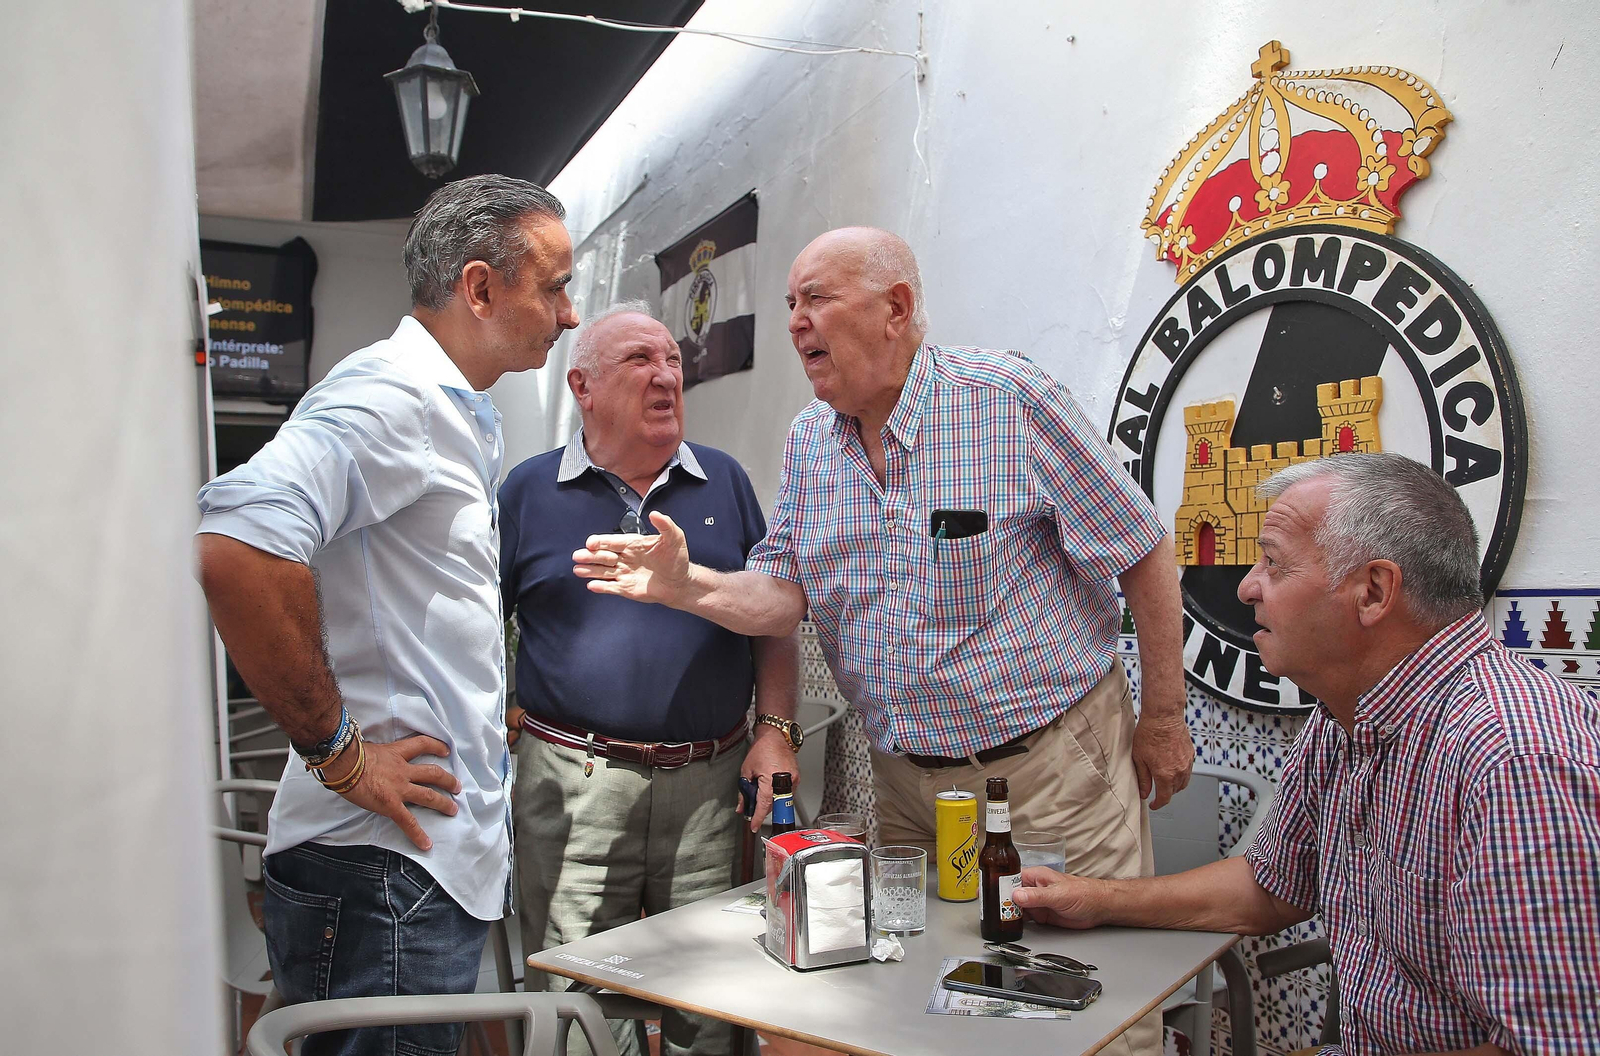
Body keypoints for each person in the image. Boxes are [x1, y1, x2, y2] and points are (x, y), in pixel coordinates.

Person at [575, 227, 1194, 1055]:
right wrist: (692, 589)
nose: (795, 322)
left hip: (1051, 777)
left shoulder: (1005, 400)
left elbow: (1142, 548)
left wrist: (1164, 715)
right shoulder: (810, 444)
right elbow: (785, 593)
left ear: (896, 308)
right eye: (790, 302)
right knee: (924, 1013)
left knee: (1084, 1016)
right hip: (909, 794)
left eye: (816, 299)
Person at [1012, 453, 1600, 1056]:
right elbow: (1271, 888)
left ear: (1372, 591)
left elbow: (1552, 1046)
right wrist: (1094, 899)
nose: (1247, 586)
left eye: (1274, 561)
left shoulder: (1517, 762)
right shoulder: (1346, 716)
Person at [196, 175, 579, 1056]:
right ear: (480, 288)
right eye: (554, 285)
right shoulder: (392, 397)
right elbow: (238, 545)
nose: (568, 315)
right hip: (381, 873)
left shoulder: (456, 409)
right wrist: (339, 753)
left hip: (406, 871)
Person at [500, 302, 799, 1056]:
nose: (667, 374)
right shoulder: (528, 493)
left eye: (673, 360)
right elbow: (475, 624)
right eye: (640, 360)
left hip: (708, 784)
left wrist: (777, 731)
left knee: (714, 989)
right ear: (583, 386)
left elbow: (774, 616)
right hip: (572, 785)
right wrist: (501, 712)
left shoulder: (723, 481)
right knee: (577, 997)